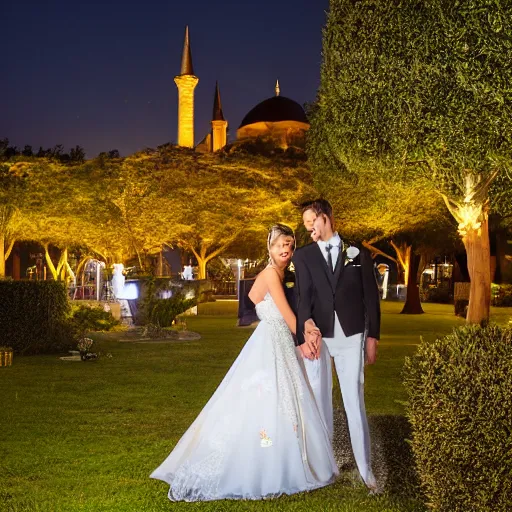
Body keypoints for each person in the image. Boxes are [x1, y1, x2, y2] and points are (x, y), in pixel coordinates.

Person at [150, 224, 338, 501]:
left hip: (276, 339)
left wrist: (305, 327)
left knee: (283, 397)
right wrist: (304, 340)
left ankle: (279, 450)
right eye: (279, 245)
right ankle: (266, 455)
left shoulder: (281, 275)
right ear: (269, 249)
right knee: (270, 397)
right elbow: (287, 315)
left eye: (289, 245)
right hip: (273, 341)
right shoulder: (271, 274)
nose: (285, 250)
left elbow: (256, 299)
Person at [292, 199, 380, 491]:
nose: (308, 228)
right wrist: (302, 336)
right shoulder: (303, 257)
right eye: (305, 224)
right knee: (319, 400)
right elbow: (303, 299)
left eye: (311, 221)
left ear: (326, 217)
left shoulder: (358, 252)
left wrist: (372, 337)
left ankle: (366, 471)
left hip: (352, 335)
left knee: (354, 400)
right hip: (318, 337)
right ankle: (323, 467)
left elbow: (371, 299)